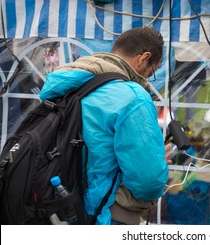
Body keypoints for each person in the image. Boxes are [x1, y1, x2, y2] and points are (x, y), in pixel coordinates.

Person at [39, 27, 169, 225]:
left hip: (58, 205)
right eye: (151, 72)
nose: (148, 79)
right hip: (104, 215)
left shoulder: (67, 83)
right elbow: (148, 181)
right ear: (144, 58)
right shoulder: (133, 97)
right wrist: (159, 163)